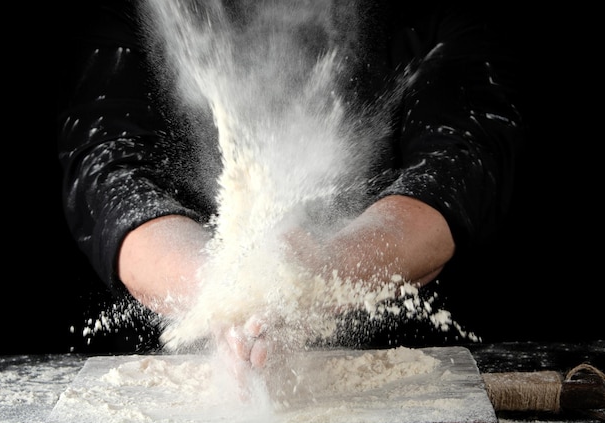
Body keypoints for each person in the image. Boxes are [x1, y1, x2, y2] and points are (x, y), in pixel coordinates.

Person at [57, 0, 524, 369]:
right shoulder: (151, 11)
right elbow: (107, 166)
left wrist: (315, 275)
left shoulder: (431, 12)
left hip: (413, 368)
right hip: (181, 376)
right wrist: (225, 293)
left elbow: (462, 160)